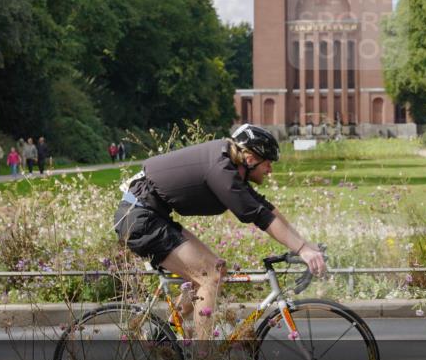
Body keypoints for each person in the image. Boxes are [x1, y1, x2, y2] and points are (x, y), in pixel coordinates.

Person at [113, 124, 326, 342]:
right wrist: (301, 249)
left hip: (150, 215)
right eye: (268, 163)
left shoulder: (229, 166)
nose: (270, 170)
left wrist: (305, 246)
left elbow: (266, 208)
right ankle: (203, 358)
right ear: (251, 159)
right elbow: (259, 215)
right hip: (140, 218)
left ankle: (163, 338)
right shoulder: (221, 170)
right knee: (209, 276)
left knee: (216, 270)